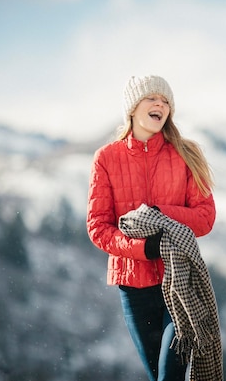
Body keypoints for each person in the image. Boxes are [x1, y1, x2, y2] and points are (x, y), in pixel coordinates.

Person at [87, 75, 217, 381]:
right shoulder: (106, 158)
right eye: (152, 98)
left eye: (166, 101)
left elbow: (205, 217)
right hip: (133, 287)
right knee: (158, 376)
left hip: (180, 284)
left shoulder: (187, 155)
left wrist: (159, 215)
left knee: (170, 375)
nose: (160, 104)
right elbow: (98, 227)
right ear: (132, 108)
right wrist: (143, 248)